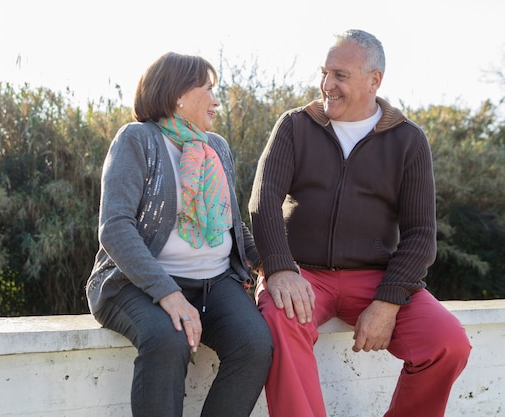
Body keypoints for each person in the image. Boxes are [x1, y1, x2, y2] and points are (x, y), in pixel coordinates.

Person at [249, 29, 471, 417]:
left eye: (340, 75)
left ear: (374, 81)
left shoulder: (408, 140)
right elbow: (263, 201)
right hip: (302, 274)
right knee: (279, 323)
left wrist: (387, 301)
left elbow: (420, 234)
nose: (326, 85)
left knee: (447, 343)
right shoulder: (295, 126)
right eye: (324, 73)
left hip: (376, 280)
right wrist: (280, 270)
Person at [85, 52, 272, 417]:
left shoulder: (216, 147)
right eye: (209, 89)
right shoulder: (137, 140)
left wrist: (274, 265)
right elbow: (116, 228)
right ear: (178, 96)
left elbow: (232, 223)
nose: (218, 100)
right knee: (167, 341)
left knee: (255, 344)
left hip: (216, 283)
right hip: (134, 285)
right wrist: (168, 294)